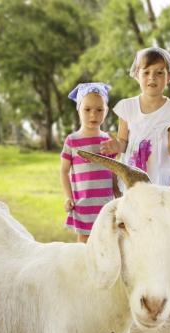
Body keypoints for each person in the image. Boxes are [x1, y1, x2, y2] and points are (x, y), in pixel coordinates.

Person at [100, 47, 170, 186]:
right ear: (137, 75)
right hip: (132, 178)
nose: (152, 77)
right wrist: (116, 146)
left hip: (159, 181)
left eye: (159, 72)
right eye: (146, 72)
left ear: (169, 77)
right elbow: (123, 141)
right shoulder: (127, 107)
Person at [60, 82, 117, 243]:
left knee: (107, 243)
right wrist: (68, 197)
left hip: (105, 204)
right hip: (83, 204)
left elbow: (114, 170)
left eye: (99, 109)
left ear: (106, 111)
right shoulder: (72, 141)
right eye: (87, 109)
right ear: (79, 109)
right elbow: (64, 171)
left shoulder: (107, 140)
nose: (93, 115)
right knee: (84, 245)